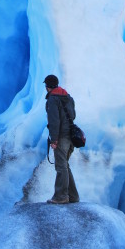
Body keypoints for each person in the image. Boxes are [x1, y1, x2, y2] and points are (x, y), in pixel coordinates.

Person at [44, 74, 80, 205]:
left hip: (61, 137)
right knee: (65, 165)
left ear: (47, 86)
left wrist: (54, 139)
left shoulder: (52, 100)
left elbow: (54, 121)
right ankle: (73, 195)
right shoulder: (68, 98)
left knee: (61, 166)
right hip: (70, 136)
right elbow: (73, 115)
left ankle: (61, 196)